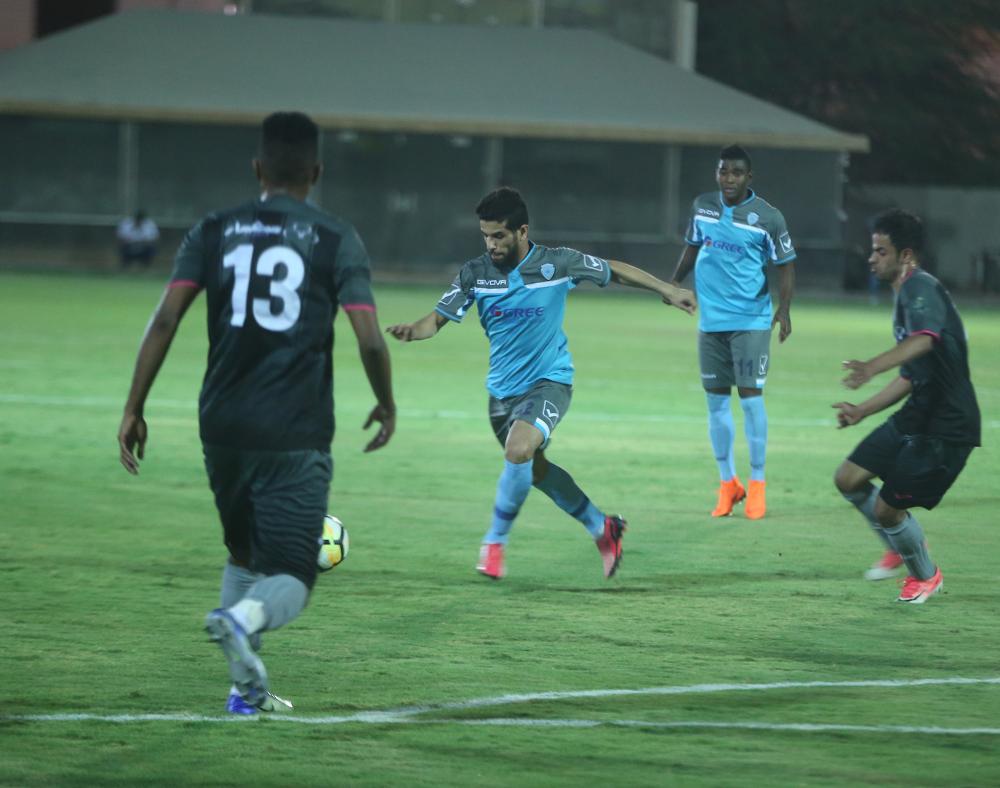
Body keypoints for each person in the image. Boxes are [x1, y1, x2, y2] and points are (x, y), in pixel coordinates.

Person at [117, 112, 396, 712]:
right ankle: (242, 620)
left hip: (221, 423)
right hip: (293, 429)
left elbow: (165, 319)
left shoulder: (214, 229)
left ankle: (244, 693)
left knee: (243, 553)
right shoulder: (335, 237)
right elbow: (370, 338)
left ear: (257, 169)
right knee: (292, 575)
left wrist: (134, 407)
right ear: (316, 172)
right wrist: (386, 400)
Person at [386, 187, 695, 580]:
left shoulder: (557, 263)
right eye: (485, 236)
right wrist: (413, 331)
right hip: (501, 394)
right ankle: (602, 527)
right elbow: (435, 320)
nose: (491, 244)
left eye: (499, 235)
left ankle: (494, 543)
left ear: (522, 231)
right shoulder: (476, 274)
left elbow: (612, 269)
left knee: (518, 450)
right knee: (536, 470)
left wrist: (668, 289)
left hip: (550, 382)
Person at [833, 209, 980, 604]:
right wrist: (862, 410)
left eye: (881, 251)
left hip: (946, 425)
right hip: (918, 412)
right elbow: (911, 376)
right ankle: (901, 544)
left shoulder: (920, 289)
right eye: (872, 250)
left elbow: (925, 340)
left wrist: (870, 367)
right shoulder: (906, 295)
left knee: (887, 510)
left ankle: (926, 575)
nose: (871, 259)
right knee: (849, 478)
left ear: (907, 256)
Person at [670, 144, 796, 520]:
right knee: (716, 403)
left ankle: (757, 484)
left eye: (736, 173)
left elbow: (785, 264)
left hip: (750, 321)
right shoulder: (703, 207)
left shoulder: (768, 217)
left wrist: (784, 309)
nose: (729, 179)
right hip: (711, 322)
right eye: (723, 171)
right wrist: (672, 284)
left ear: (748, 177)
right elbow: (692, 248)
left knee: (751, 399)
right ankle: (728, 483)